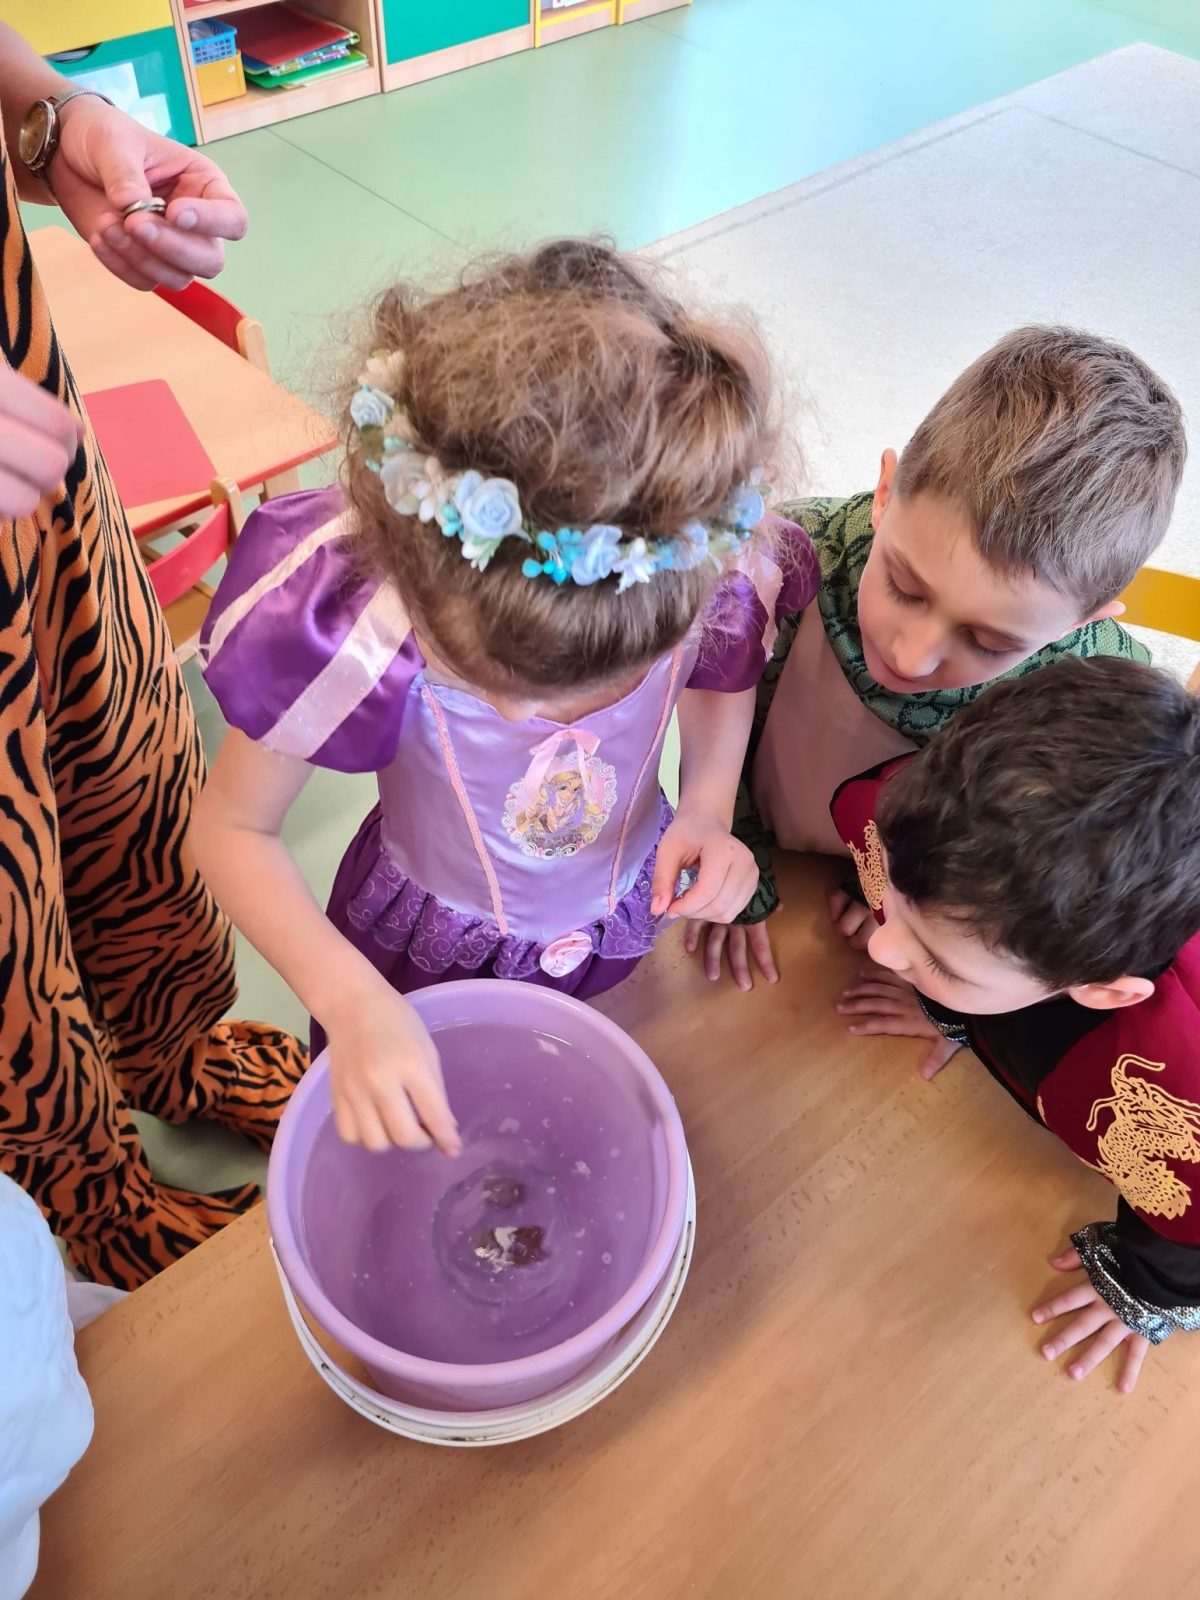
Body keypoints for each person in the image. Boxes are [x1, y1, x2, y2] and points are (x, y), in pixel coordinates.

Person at [191, 240, 819, 1155]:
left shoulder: (699, 567)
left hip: (618, 922)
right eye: (483, 684)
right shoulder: (362, 611)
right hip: (414, 962)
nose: (525, 720)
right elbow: (230, 830)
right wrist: (350, 1000)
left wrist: (710, 806)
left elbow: (722, 683)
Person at [0, 23, 305, 1291]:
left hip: (25, 419)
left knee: (129, 763)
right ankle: (78, 1190)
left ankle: (174, 1046)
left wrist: (48, 117)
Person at [687, 326, 1186, 990]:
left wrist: (910, 910)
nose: (912, 655)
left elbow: (1078, 873)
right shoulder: (786, 555)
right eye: (904, 586)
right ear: (885, 492)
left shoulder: (1098, 698)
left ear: (1084, 622)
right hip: (753, 831)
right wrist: (726, 838)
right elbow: (717, 692)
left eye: (989, 643)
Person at [831, 656, 1200, 1394]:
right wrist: (945, 997)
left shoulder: (1180, 1084)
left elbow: (1188, 1218)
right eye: (894, 906)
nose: (879, 948)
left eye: (939, 960)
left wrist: (1144, 1290)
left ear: (1103, 993)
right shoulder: (951, 824)